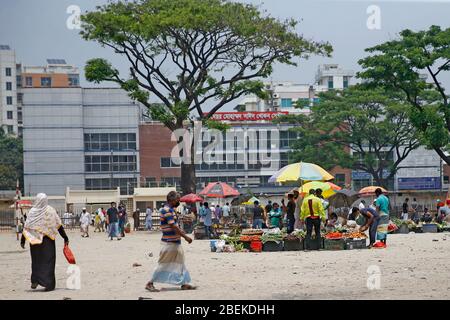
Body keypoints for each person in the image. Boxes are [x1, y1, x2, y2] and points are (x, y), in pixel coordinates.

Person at [146, 191, 195, 292]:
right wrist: (186, 237)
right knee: (163, 263)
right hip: (169, 242)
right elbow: (173, 226)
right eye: (177, 199)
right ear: (171, 200)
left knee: (181, 262)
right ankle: (150, 283)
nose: (179, 201)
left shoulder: (171, 210)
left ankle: (184, 283)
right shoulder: (167, 210)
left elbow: (174, 223)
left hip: (175, 242)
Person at [20, 193, 69, 291]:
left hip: (35, 241)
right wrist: (65, 237)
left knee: (36, 261)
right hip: (48, 241)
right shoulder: (50, 210)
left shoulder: (32, 212)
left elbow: (26, 227)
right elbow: (59, 225)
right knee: (49, 262)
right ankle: (48, 284)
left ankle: (35, 280)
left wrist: (22, 240)